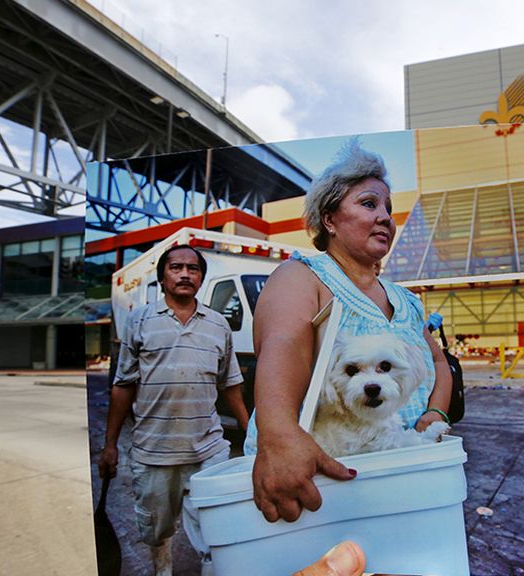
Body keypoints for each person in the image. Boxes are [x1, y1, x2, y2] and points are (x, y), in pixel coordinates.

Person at [246, 139, 452, 523]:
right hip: (324, 472)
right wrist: (279, 439)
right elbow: (282, 344)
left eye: (388, 208)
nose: (386, 217)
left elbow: (437, 361)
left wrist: (435, 412)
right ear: (329, 220)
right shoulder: (303, 276)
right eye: (369, 204)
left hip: (405, 463)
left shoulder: (406, 300)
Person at [98, 244, 250, 576]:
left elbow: (231, 385)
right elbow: (123, 385)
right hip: (154, 451)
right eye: (176, 268)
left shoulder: (218, 324)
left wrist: (252, 434)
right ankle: (162, 569)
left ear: (201, 279)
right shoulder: (140, 321)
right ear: (163, 278)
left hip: (207, 449)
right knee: (157, 530)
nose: (184, 274)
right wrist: (110, 445)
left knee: (214, 528)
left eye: (192, 269)